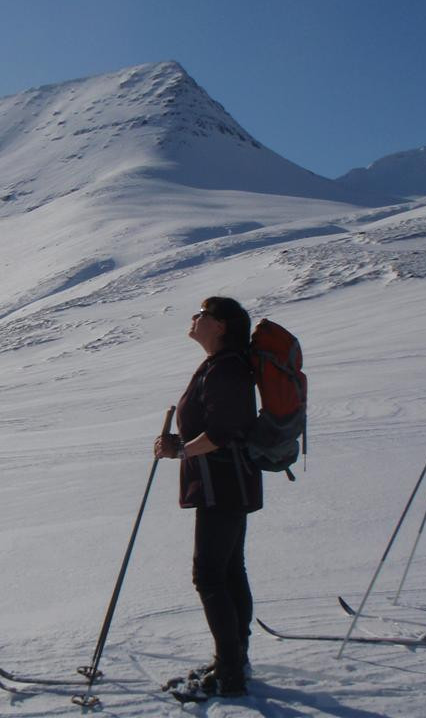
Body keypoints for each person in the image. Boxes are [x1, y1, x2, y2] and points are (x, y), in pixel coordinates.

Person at [154, 296, 261, 697]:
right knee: (229, 571)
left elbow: (220, 433)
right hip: (228, 483)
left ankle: (230, 673)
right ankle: (234, 660)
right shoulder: (222, 365)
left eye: (203, 314)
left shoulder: (226, 368)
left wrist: (180, 450)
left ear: (221, 325)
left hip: (222, 485)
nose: (195, 318)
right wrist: (179, 445)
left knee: (210, 576)